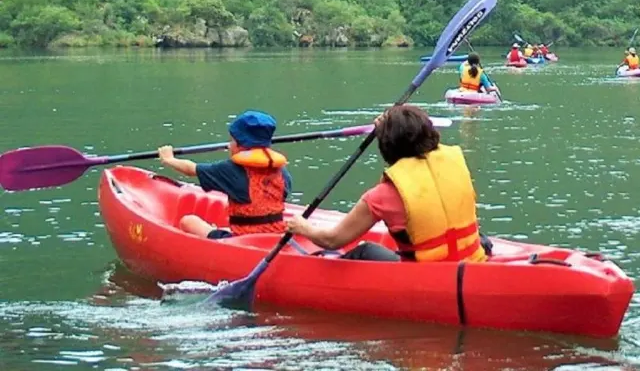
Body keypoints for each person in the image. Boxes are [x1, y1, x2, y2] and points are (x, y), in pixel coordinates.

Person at [287, 104, 489, 263]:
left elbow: (332, 240)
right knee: (481, 239)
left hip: (425, 274)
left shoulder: (383, 195)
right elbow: (418, 139)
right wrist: (391, 126)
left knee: (365, 250)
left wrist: (303, 227)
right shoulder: (452, 162)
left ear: (387, 146)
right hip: (469, 261)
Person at [157, 110, 292, 239]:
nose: (229, 145)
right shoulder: (282, 172)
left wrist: (169, 159)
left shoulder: (230, 170)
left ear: (240, 145)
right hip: (275, 237)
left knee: (189, 221)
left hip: (242, 239)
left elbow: (191, 169)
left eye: (232, 141)